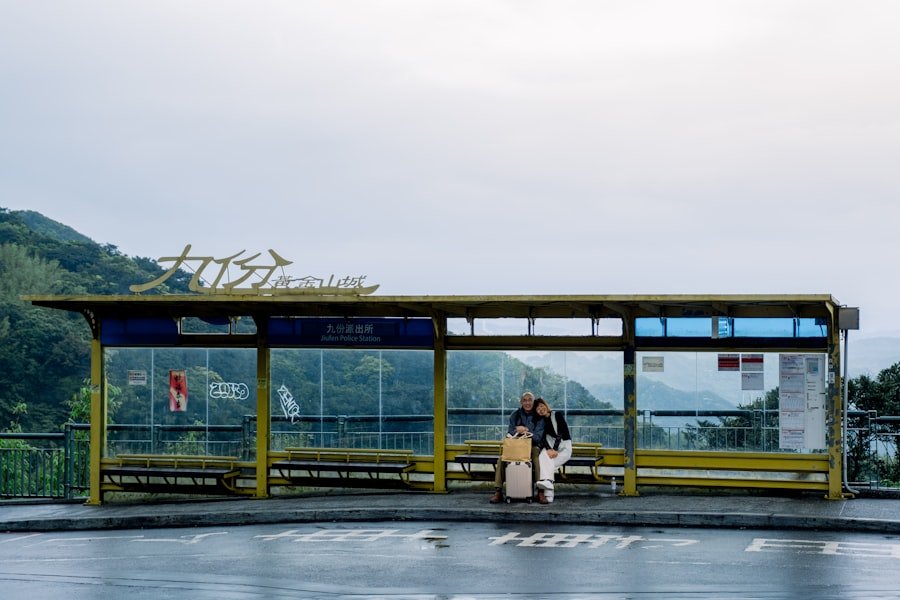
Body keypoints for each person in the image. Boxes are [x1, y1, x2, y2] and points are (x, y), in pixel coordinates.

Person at [489, 391, 545, 504]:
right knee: (501, 459)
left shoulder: (539, 415)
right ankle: (498, 492)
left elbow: (538, 437)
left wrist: (527, 431)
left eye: (530, 400)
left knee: (537, 458)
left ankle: (540, 491)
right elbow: (510, 432)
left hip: (532, 446)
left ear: (533, 402)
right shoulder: (515, 414)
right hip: (516, 445)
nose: (527, 402)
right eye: (525, 400)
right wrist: (517, 431)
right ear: (521, 402)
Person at [534, 397, 572, 504]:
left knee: (546, 464)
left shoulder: (557, 415)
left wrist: (554, 450)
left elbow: (561, 432)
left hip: (564, 447)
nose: (541, 409)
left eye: (542, 406)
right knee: (542, 456)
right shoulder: (541, 422)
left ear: (546, 405)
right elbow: (543, 438)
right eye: (538, 409)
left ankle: (548, 494)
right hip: (551, 447)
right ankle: (548, 487)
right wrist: (548, 449)